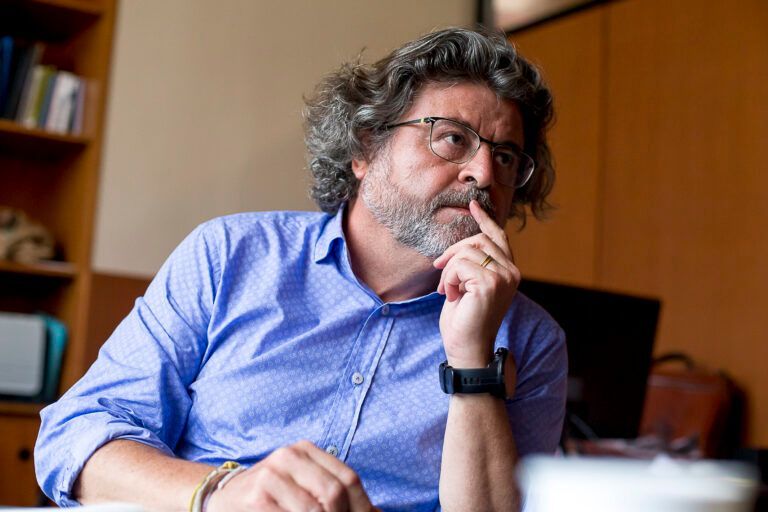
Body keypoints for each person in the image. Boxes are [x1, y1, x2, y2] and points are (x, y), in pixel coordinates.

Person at [35, 27, 567, 512]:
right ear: (365, 148)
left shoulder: (531, 339)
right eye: (453, 138)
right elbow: (76, 438)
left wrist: (473, 358)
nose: (483, 172)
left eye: (505, 157)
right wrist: (219, 493)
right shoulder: (230, 254)